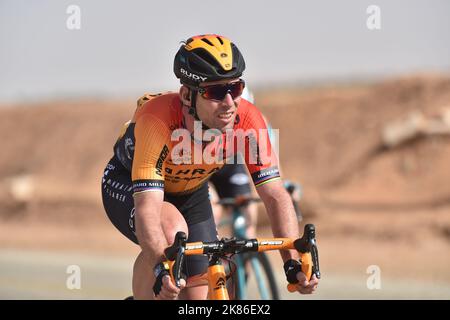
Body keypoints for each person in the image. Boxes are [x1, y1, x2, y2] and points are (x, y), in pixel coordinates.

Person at [101, 34, 319, 300]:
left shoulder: (248, 120)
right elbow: (148, 207)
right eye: (215, 91)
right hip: (130, 185)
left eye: (236, 88)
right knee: (171, 236)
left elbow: (274, 194)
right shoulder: (157, 120)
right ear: (186, 95)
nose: (229, 102)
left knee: (199, 295)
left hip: (191, 192)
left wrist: (292, 261)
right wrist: (160, 266)